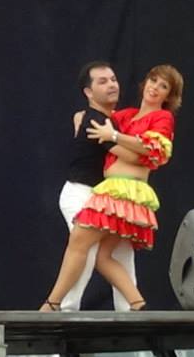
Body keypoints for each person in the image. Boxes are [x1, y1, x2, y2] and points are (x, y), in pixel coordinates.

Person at [41, 64, 184, 311]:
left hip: (124, 192)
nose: (155, 88)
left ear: (169, 96)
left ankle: (56, 306)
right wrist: (84, 118)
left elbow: (153, 152)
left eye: (163, 86)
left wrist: (115, 137)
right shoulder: (125, 116)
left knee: (84, 244)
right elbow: (98, 119)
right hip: (105, 190)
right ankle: (135, 306)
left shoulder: (162, 117)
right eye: (153, 80)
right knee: (105, 255)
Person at [59, 62, 137, 311]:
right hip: (81, 193)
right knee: (86, 249)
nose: (112, 85)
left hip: (106, 196)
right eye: (102, 82)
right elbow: (132, 156)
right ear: (88, 92)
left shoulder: (110, 121)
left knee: (122, 249)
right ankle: (64, 311)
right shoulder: (95, 121)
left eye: (113, 79)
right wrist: (150, 150)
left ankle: (130, 313)